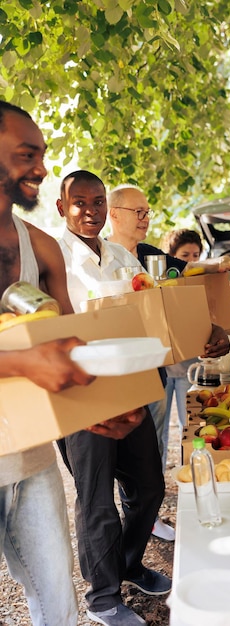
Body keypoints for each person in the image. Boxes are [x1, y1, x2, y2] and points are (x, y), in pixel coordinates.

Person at [56, 170, 170, 626]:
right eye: (80, 202)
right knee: (96, 497)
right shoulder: (52, 257)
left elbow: (152, 304)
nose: (90, 211)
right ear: (62, 207)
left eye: (98, 202)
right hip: (81, 393)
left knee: (149, 485)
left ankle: (127, 563)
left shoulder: (122, 254)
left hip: (129, 383)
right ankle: (102, 596)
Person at [0, 100, 96, 626]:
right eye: (26, 154)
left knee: (59, 605)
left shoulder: (41, 248)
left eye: (42, 154)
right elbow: (33, 359)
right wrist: (22, 363)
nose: (40, 168)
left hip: (31, 456)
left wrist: (98, 406)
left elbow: (66, 346)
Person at [107, 186, 230, 541]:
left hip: (156, 366)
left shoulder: (149, 255)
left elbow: (191, 271)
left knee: (152, 445)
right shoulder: (99, 256)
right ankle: (127, 529)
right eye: (138, 212)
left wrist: (223, 264)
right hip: (119, 373)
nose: (145, 219)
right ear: (115, 214)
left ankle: (147, 519)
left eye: (147, 212)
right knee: (124, 457)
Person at [161, 229, 204, 467]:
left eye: (196, 254)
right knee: (159, 428)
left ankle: (190, 469)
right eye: (185, 254)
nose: (191, 260)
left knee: (189, 426)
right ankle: (156, 476)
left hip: (190, 367)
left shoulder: (204, 283)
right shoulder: (162, 283)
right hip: (164, 367)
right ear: (173, 256)